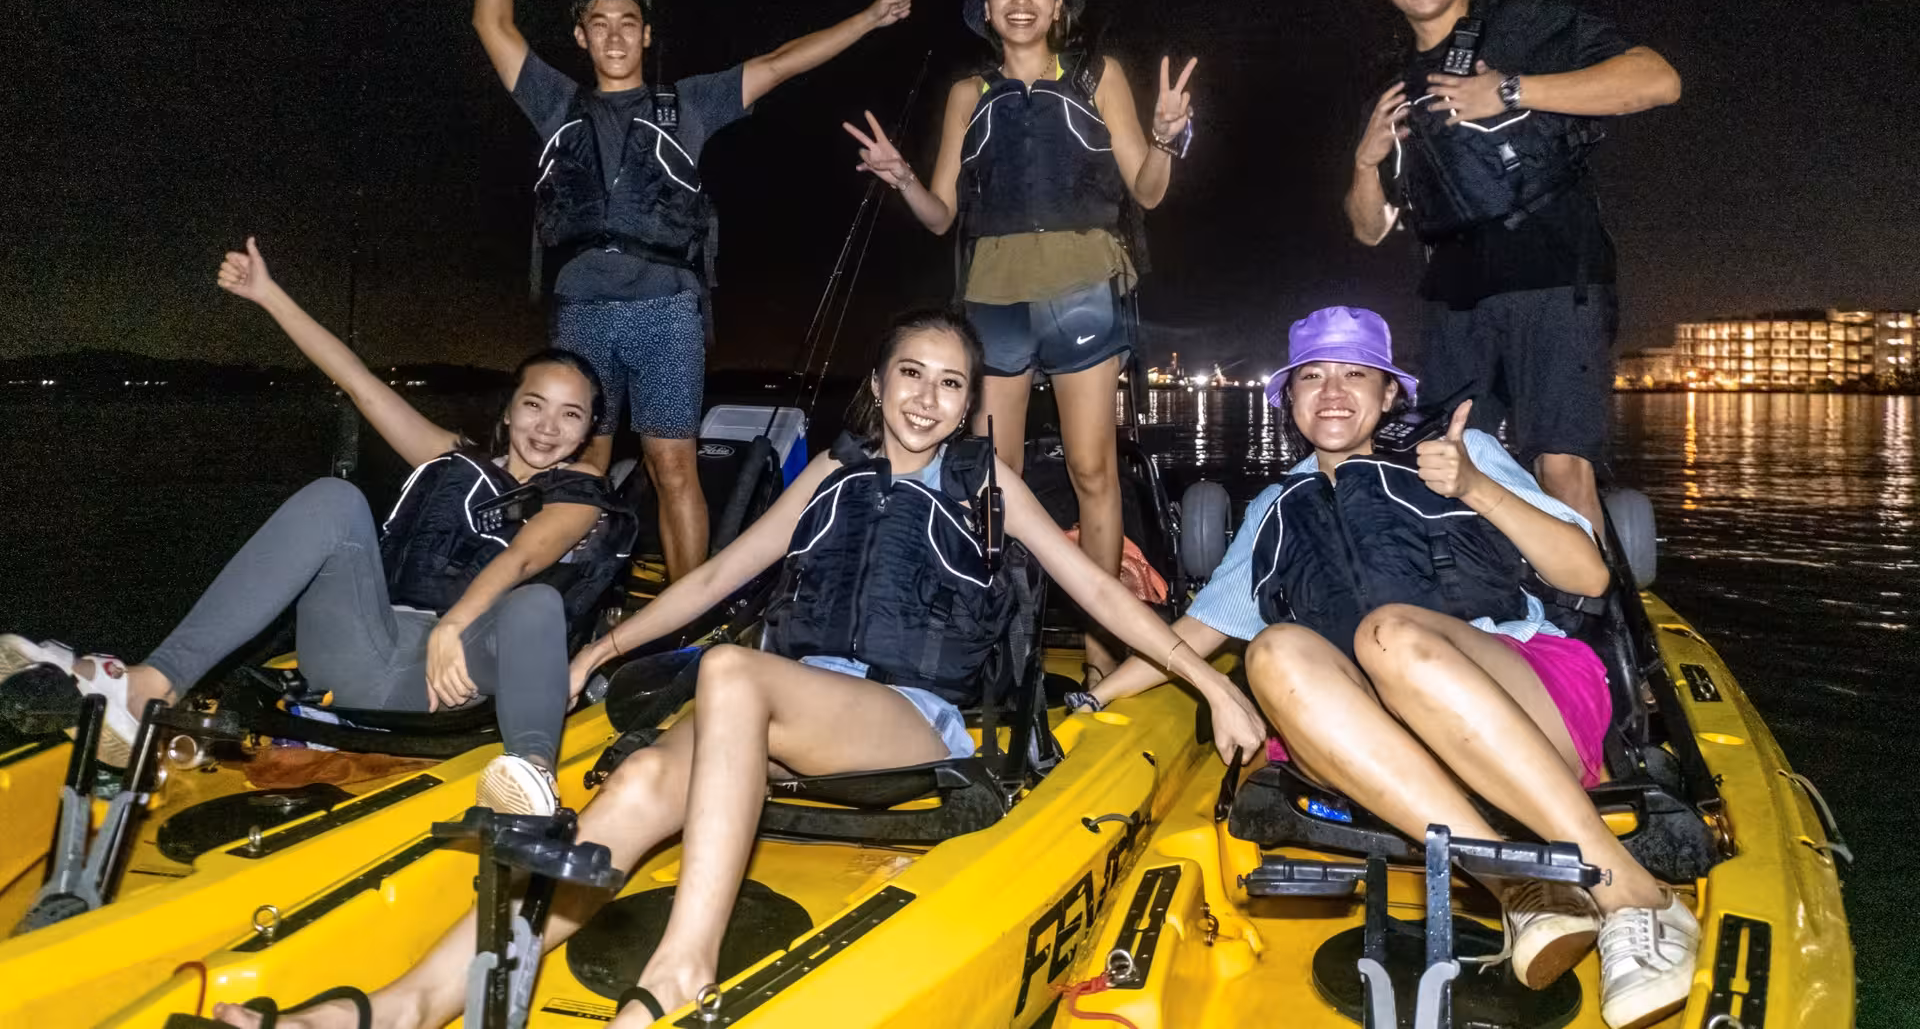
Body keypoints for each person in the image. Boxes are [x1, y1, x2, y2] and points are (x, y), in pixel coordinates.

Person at [209, 307, 1266, 1029]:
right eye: (912, 376)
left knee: (732, 678)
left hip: (906, 722)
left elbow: (1098, 596)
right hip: (780, 716)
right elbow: (708, 583)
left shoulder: (985, 484)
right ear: (882, 381)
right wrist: (603, 648)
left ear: (970, 400)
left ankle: (681, 969)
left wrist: (1211, 680)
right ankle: (404, 1004)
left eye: (952, 384)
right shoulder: (832, 479)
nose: (929, 400)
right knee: (632, 786)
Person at [1086, 306, 1698, 1029]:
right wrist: (1093, 703)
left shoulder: (1459, 452)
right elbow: (1194, 633)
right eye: (1311, 376)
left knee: (1388, 635)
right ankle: (1516, 885)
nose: (1333, 391)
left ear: (1389, 395)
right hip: (1376, 748)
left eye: (1356, 374)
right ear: (1287, 400)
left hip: (1521, 700)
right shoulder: (1274, 509)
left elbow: (1589, 576)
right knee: (1273, 651)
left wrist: (1473, 485)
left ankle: (1629, 891)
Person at [0, 238, 622, 816]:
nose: (548, 426)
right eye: (535, 404)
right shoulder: (449, 457)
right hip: (359, 648)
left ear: (587, 429)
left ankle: (532, 777)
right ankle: (148, 684)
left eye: (571, 415)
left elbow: (522, 560)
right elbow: (356, 379)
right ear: (510, 409)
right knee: (332, 496)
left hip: (451, 675)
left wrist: (454, 626)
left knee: (536, 602)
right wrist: (269, 295)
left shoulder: (580, 495)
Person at [475, 0, 921, 584]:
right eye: (600, 25)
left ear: (646, 35)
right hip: (583, 308)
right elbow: (491, 24)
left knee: (671, 462)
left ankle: (690, 617)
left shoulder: (691, 103)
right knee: (579, 463)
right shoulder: (555, 103)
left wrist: (868, 19)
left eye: (628, 24)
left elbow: (779, 64)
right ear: (582, 37)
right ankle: (565, 596)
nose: (615, 36)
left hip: (666, 311)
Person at [840, 0, 1195, 682]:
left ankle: (1103, 653)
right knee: (988, 473)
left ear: (1058, 5)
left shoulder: (1100, 77)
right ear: (988, 11)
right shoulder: (969, 93)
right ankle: (986, 643)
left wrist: (1166, 137)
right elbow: (940, 217)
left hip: (1084, 287)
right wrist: (902, 177)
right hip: (993, 294)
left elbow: (1150, 189)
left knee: (1094, 470)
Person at [1345, 0, 1681, 536]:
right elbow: (1370, 228)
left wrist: (1508, 89)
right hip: (1454, 297)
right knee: (1448, 463)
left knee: (1560, 464)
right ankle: (1492, 614)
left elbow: (1657, 80)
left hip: (1553, 274)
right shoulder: (1391, 82)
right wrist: (1365, 159)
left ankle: (1588, 626)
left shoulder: (1525, 25)